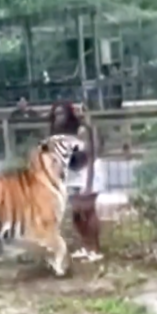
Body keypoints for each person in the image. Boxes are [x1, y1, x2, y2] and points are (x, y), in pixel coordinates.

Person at [48, 101, 103, 262]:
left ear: (69, 115)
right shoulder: (56, 134)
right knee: (77, 214)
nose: (59, 118)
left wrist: (89, 183)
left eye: (62, 114)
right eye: (56, 114)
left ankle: (95, 248)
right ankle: (85, 246)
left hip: (88, 170)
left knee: (88, 210)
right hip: (72, 172)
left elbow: (90, 155)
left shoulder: (81, 130)